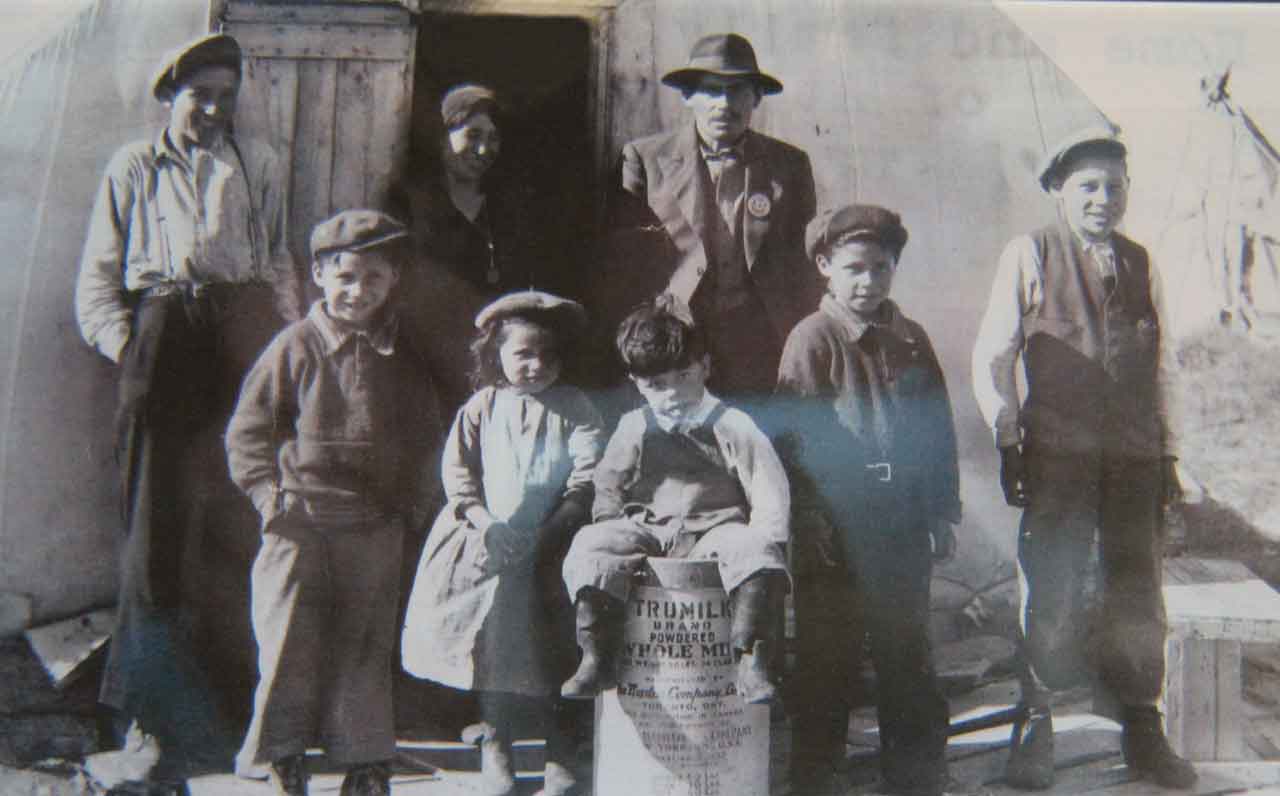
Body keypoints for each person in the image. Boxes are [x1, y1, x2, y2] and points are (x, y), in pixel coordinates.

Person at [73, 32, 296, 779]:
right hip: (163, 334)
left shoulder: (258, 163)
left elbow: (277, 261)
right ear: (170, 96)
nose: (213, 110)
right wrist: (135, 354)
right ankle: (147, 720)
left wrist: (283, 349)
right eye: (200, 95)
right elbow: (99, 280)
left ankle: (234, 718)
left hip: (241, 334)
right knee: (154, 536)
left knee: (238, 523)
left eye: (226, 97)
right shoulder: (134, 166)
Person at [971, 127, 1197, 791]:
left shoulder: (1142, 263)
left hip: (1132, 456)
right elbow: (994, 354)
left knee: (1137, 593)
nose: (1104, 199)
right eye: (1088, 187)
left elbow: (1165, 368)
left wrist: (1169, 452)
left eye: (1115, 187)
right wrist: (1007, 436)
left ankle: (1143, 729)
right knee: (1052, 584)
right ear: (1058, 192)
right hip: (1058, 457)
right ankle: (1037, 722)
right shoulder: (1029, 253)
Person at [226, 209, 444, 796]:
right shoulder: (294, 346)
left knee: (364, 644)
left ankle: (365, 760)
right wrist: (267, 495)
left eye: (374, 278)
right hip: (298, 520)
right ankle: (282, 755)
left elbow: (428, 436)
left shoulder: (401, 354)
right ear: (320, 275)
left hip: (373, 522)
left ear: (394, 280)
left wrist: (413, 506)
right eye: (345, 276)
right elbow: (248, 432)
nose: (358, 291)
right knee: (288, 638)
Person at [775, 205, 960, 796]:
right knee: (828, 652)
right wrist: (807, 517)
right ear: (825, 266)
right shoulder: (812, 338)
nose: (869, 281)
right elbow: (793, 437)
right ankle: (817, 771)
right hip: (836, 520)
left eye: (882, 268)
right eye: (854, 268)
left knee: (905, 647)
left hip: (901, 517)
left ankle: (914, 769)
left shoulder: (911, 338)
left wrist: (941, 510)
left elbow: (936, 428)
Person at [401, 290, 605, 796]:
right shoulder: (483, 407)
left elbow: (587, 475)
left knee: (554, 649)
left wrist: (553, 530)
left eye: (548, 355)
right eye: (523, 354)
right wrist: (486, 522)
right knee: (495, 648)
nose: (536, 365)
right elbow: (458, 473)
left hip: (555, 543)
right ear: (498, 355)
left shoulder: (575, 407)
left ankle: (559, 753)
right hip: (489, 543)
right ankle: (497, 748)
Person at [560, 296, 791, 704]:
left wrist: (767, 539)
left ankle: (751, 658)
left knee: (756, 552)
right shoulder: (634, 426)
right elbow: (609, 482)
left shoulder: (732, 424)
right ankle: (597, 655)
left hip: (716, 529)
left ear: (705, 366)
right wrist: (610, 524)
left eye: (683, 376)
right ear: (636, 383)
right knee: (590, 546)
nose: (671, 394)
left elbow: (767, 486)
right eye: (655, 385)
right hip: (648, 527)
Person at [595, 33, 818, 400]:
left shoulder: (789, 164)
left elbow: (802, 261)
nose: (724, 104)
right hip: (674, 334)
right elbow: (625, 264)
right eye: (712, 90)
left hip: (758, 338)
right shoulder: (644, 159)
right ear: (688, 96)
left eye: (738, 91)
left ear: (756, 98)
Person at [388, 83, 558, 414]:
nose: (484, 149)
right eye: (473, 135)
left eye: (493, 138)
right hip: (427, 353)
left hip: (493, 351)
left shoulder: (510, 205)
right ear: (442, 137)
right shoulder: (410, 201)